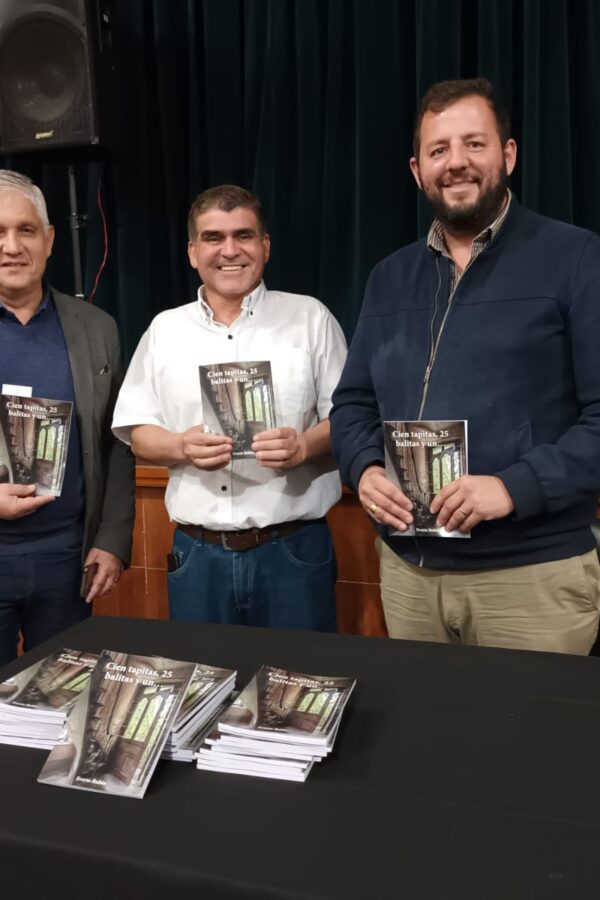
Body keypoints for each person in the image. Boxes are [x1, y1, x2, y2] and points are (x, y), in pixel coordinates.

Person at [330, 78, 600, 655]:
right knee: (425, 743)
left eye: (474, 144)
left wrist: (512, 487)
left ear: (508, 154)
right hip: (409, 575)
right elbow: (352, 403)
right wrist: (365, 470)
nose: (456, 163)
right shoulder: (389, 277)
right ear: (417, 169)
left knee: (525, 746)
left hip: (528, 576)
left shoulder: (576, 258)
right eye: (439, 150)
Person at [112, 184, 346, 630]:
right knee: (205, 689)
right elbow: (138, 431)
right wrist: (180, 446)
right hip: (198, 556)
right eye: (213, 238)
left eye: (244, 235)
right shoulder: (164, 329)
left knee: (299, 688)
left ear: (265, 246)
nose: (230, 251)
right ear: (192, 251)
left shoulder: (311, 318)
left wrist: (303, 445)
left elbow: (349, 420)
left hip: (294, 552)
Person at [0, 170, 135, 665]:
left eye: (26, 230)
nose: (12, 246)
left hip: (67, 560)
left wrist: (112, 539)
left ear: (50, 238)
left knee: (61, 712)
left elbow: (117, 442)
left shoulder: (97, 328)